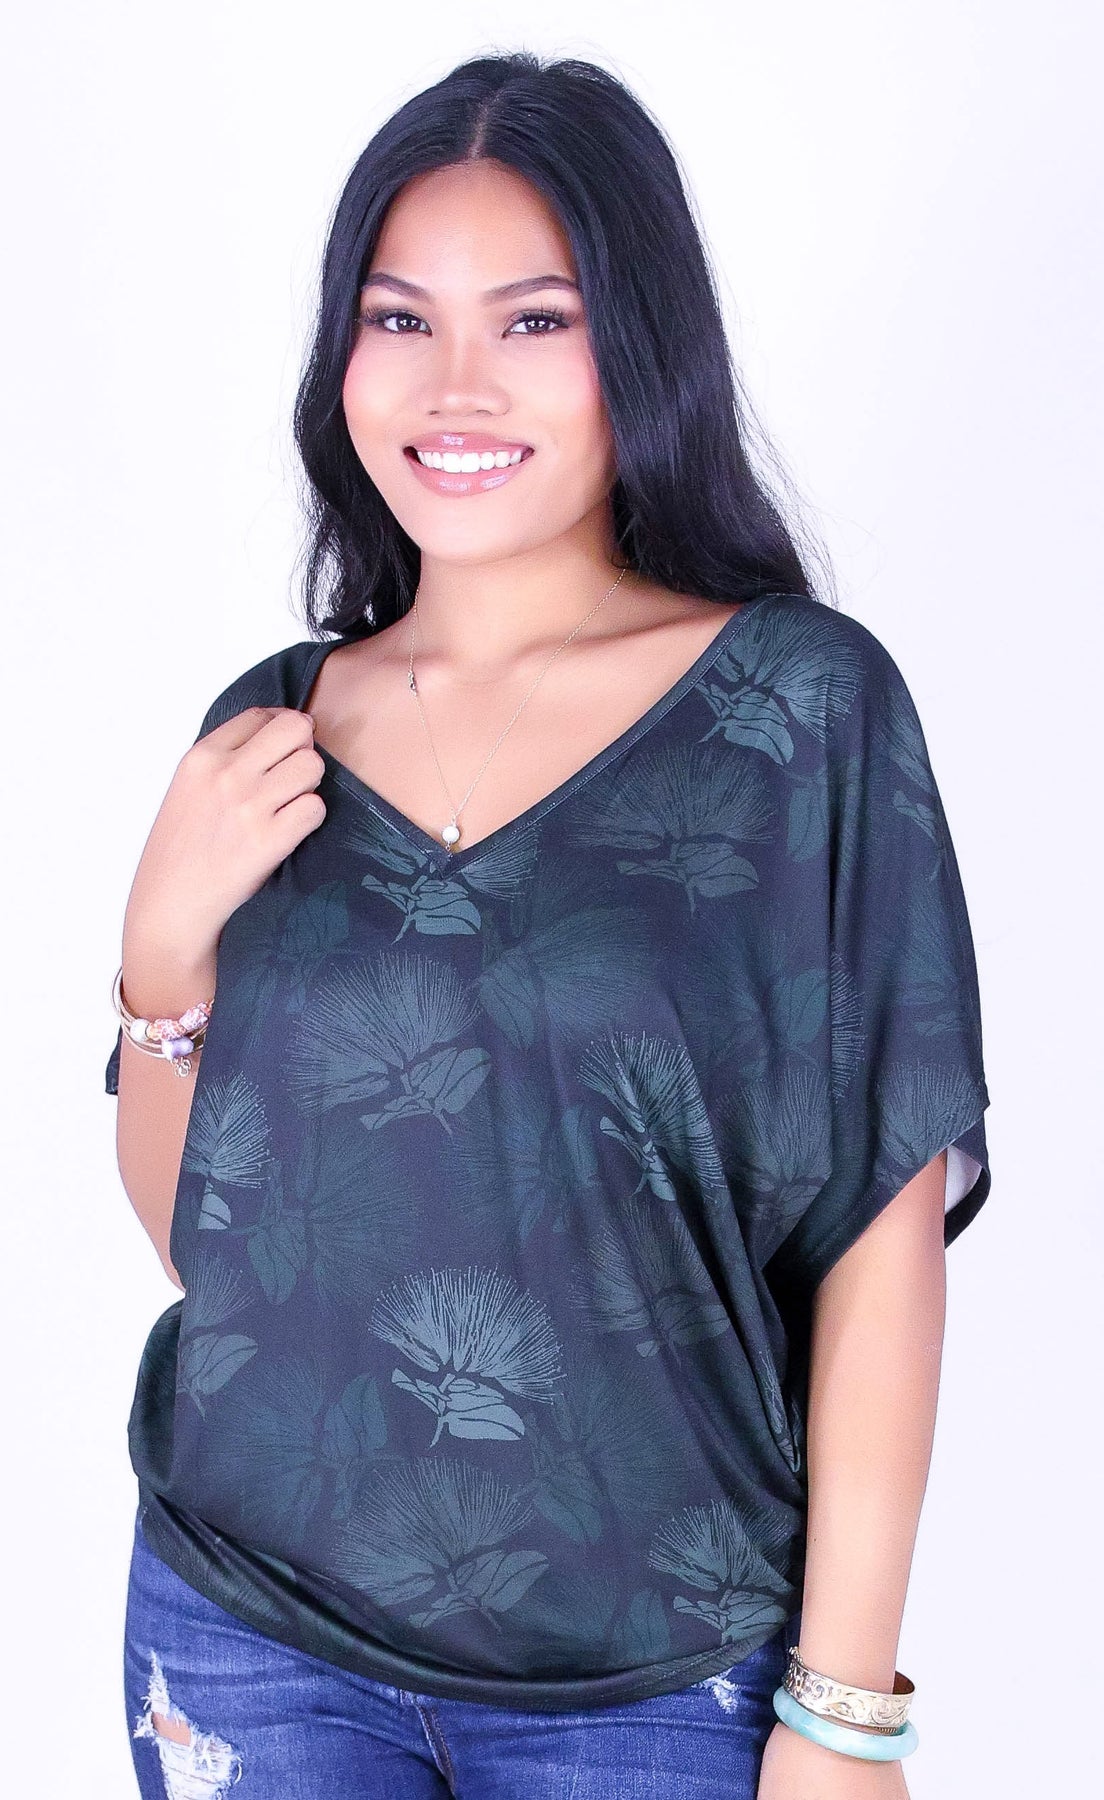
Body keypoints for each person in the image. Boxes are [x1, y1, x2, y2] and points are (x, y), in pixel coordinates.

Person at [105, 50, 991, 1800]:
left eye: (532, 320)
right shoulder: (270, 729)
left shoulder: (799, 713)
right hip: (247, 1632)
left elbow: (881, 1240)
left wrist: (845, 1711)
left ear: (638, 348)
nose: (456, 384)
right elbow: (217, 1252)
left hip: (659, 1675)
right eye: (399, 318)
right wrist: (161, 963)